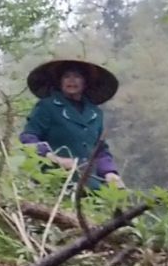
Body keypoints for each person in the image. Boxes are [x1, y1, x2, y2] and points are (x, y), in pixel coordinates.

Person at [20, 58, 126, 189]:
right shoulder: (47, 106)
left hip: (89, 186)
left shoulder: (95, 113)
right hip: (54, 182)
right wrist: (53, 158)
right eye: (66, 76)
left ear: (85, 82)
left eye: (77, 76)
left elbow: (100, 149)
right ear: (60, 81)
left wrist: (110, 172)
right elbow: (28, 138)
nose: (71, 80)